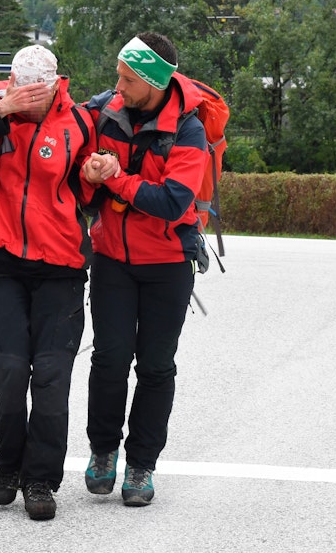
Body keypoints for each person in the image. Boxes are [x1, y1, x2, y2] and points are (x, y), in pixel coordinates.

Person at [0, 45, 98, 521]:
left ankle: (42, 478)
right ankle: (7, 466)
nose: (27, 97)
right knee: (7, 369)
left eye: (36, 91)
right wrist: (3, 109)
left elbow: (87, 187)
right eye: (18, 87)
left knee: (51, 375)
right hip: (8, 260)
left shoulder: (80, 122)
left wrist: (94, 173)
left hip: (63, 265)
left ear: (53, 85)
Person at [80, 32, 212, 506]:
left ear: (154, 82)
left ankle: (141, 466)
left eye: (127, 79)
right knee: (109, 360)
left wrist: (117, 179)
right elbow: (87, 183)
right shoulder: (107, 112)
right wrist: (90, 176)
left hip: (168, 265)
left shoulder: (189, 131)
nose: (118, 86)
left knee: (156, 367)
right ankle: (101, 454)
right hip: (113, 260)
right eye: (118, 74)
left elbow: (174, 200)